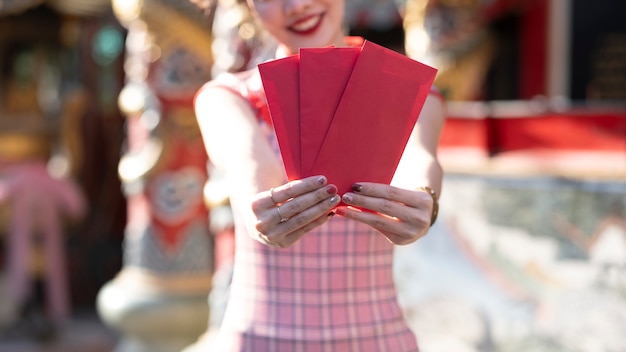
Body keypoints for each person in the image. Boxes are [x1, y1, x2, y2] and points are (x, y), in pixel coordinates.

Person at [192, 0, 446, 350]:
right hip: (262, 341)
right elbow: (248, 169)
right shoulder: (227, 98)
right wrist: (262, 213)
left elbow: (420, 159)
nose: (297, 5)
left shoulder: (408, 94)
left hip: (379, 340)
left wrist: (423, 200)